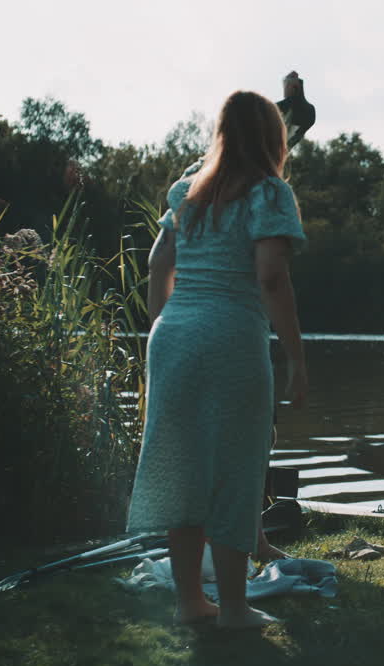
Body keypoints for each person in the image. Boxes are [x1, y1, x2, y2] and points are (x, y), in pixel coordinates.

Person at [127, 90, 308, 627]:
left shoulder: (186, 191)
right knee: (235, 467)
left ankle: (190, 604)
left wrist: (163, 324)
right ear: (273, 139)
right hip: (230, 335)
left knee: (182, 467)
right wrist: (297, 355)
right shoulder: (270, 193)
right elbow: (272, 276)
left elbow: (159, 262)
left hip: (174, 335)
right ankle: (232, 607)